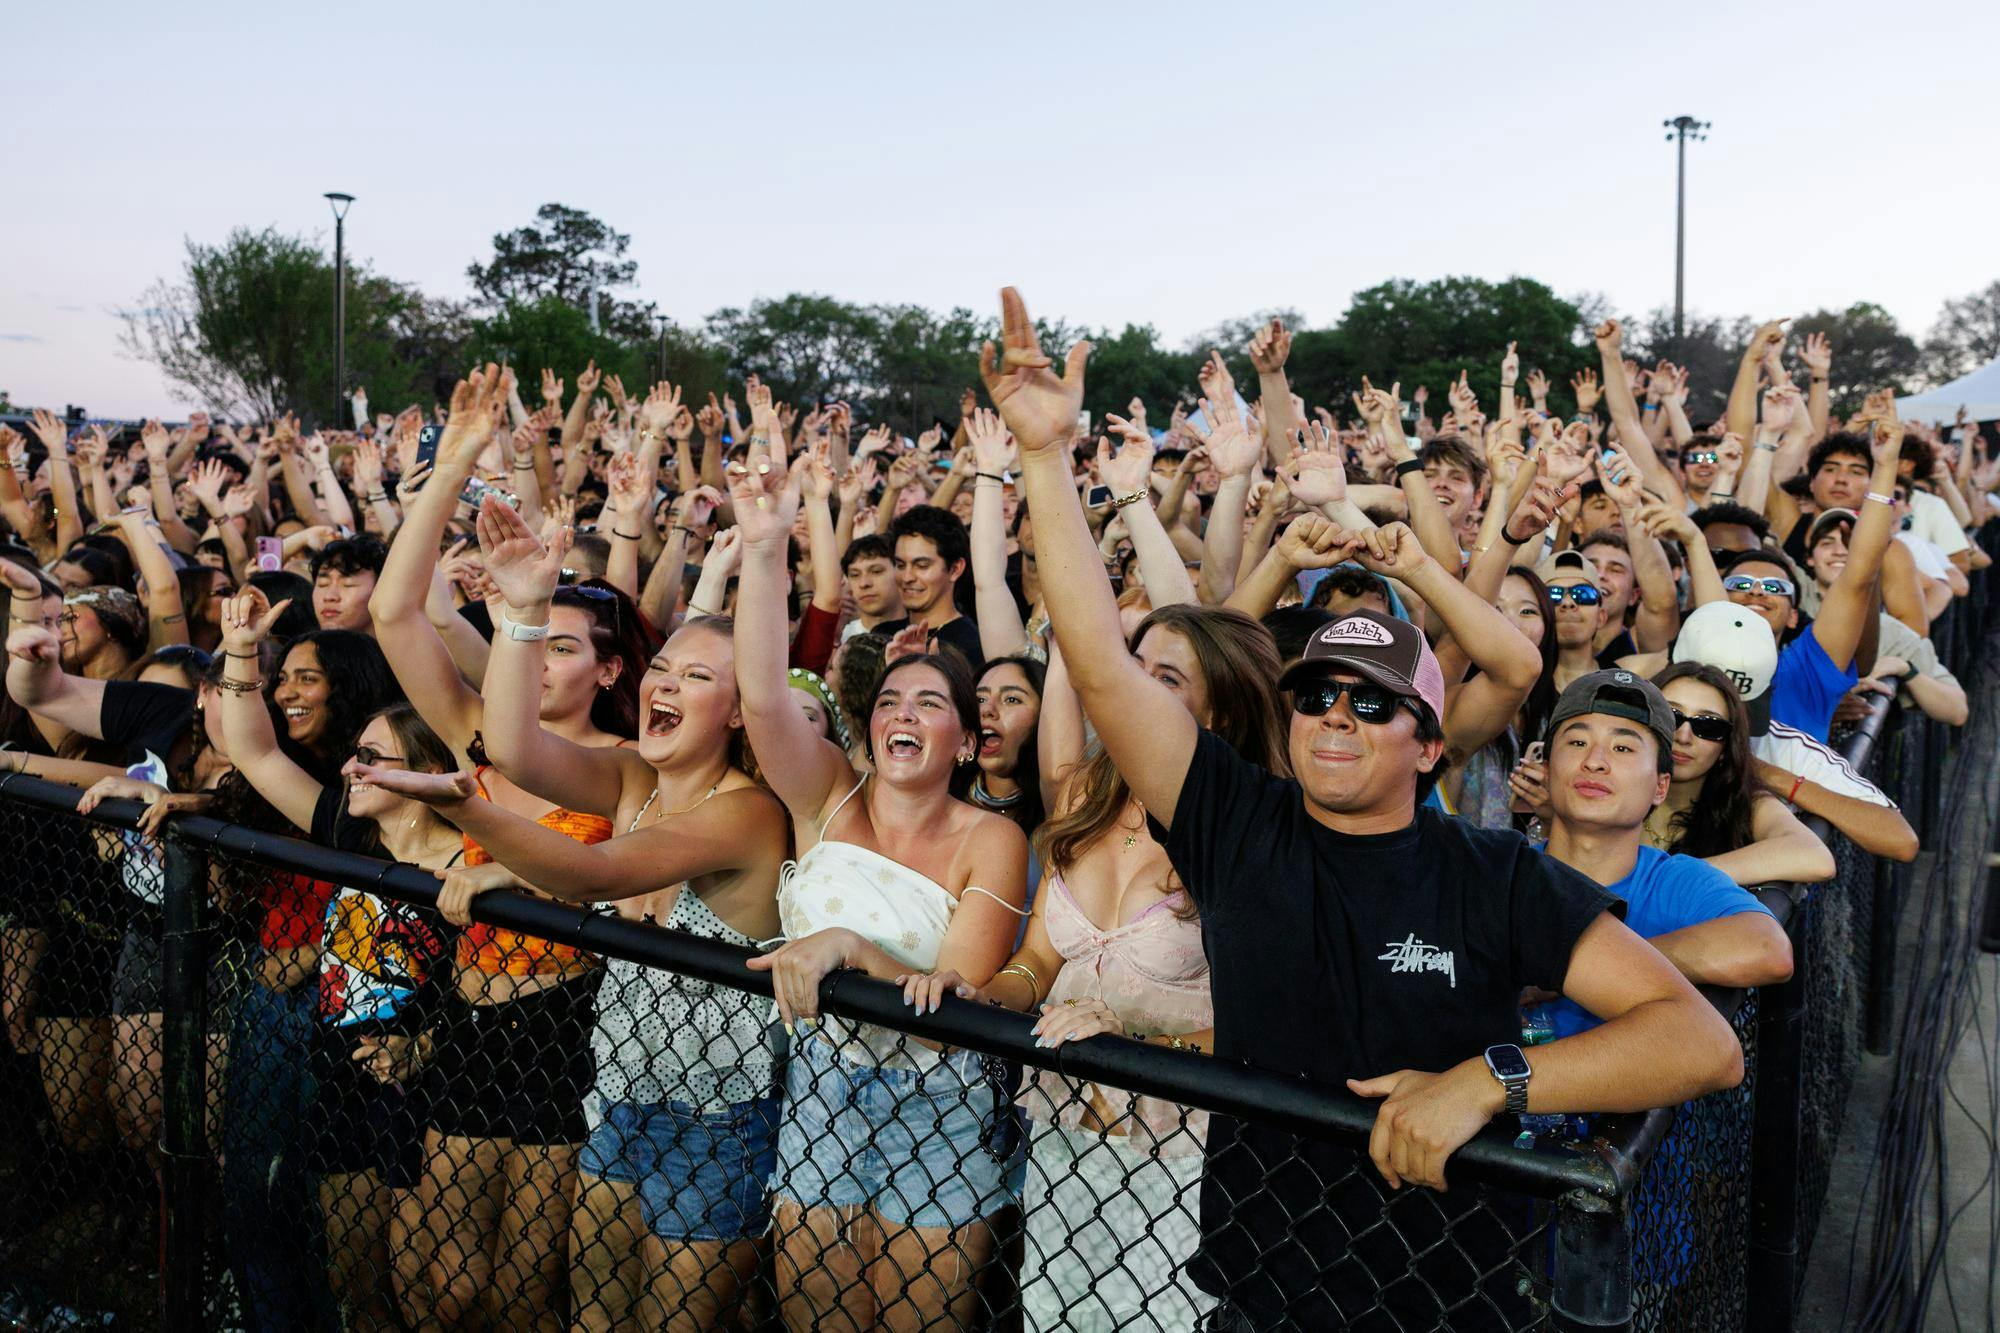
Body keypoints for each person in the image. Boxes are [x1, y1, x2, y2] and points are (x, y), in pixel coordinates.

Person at [985, 285, 1743, 1329]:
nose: (1334, 716)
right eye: (1315, 694)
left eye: (1372, 702)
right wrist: (1040, 457)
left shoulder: (1493, 874)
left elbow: (1699, 1042)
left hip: (1437, 1298)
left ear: (1428, 743)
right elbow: (1107, 673)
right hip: (1253, 1291)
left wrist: (1488, 1079)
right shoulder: (1233, 822)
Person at [730, 451, 1030, 1333]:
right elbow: (761, 698)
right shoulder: (828, 796)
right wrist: (760, 550)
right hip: (822, 1080)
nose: (903, 711)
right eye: (892, 699)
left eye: (932, 703)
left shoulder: (994, 837)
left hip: (938, 1101)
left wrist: (852, 952)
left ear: (970, 744)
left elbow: (961, 989)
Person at [212, 605, 456, 1333]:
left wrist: (427, 1041)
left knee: (427, 1293)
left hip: (420, 1091)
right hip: (338, 1077)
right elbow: (255, 755)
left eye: (374, 758)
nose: (352, 767)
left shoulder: (469, 864)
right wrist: (237, 650)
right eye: (356, 753)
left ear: (430, 772)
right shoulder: (348, 829)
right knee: (360, 1287)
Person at [1526, 670, 1795, 1033]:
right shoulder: (1499, 871)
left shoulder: (1675, 880)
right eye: (1576, 743)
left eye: (1623, 748)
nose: (1595, 761)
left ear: (1660, 786)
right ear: (1546, 770)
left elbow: (1769, 949)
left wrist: (1574, 968)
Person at [1669, 601, 1920, 863]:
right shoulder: (1629, 725)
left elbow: (1900, 839)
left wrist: (1768, 775)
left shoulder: (1781, 745)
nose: (1686, 735)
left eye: (1711, 724)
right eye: (1677, 715)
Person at [1644, 664, 1837, 885]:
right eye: (1671, 716)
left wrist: (1675, 877)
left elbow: (1815, 858)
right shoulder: (1606, 781)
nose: (1684, 736)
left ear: (1727, 746)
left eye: (1709, 726)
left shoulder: (1743, 802)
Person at [881, 505, 984, 671]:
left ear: (955, 569)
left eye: (921, 566)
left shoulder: (972, 647)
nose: (907, 577)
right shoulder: (881, 635)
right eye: (900, 565)